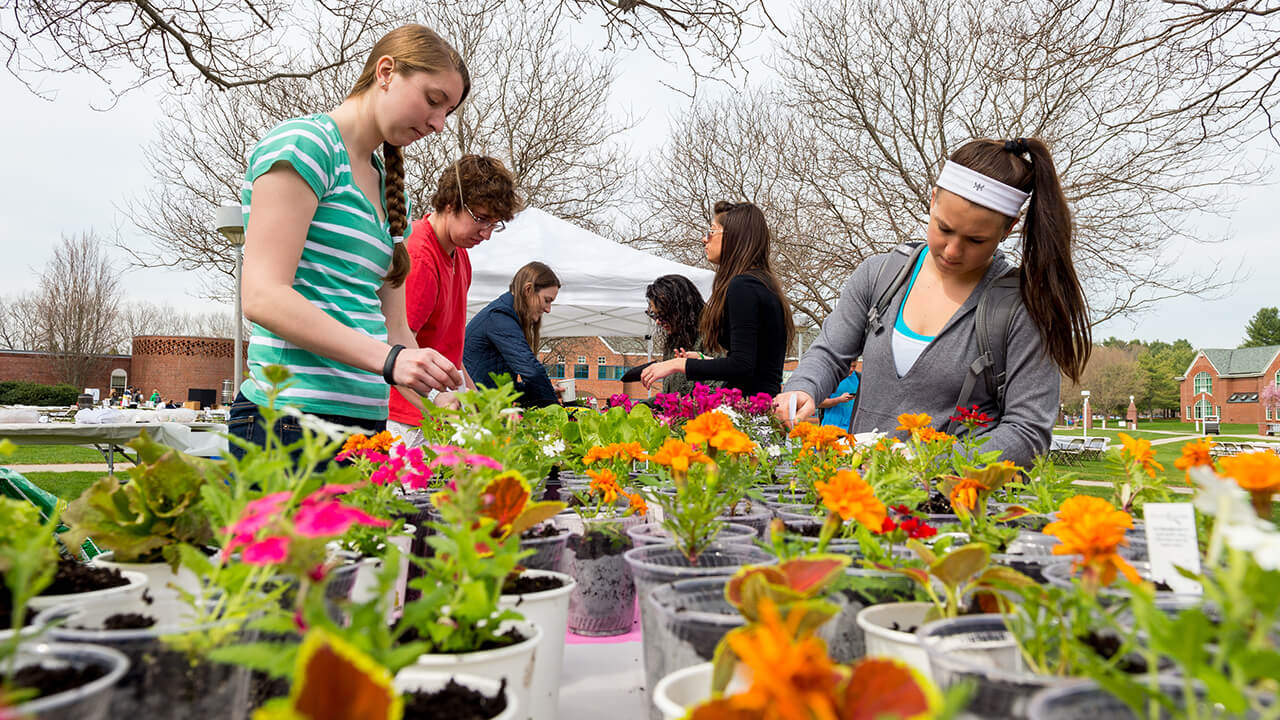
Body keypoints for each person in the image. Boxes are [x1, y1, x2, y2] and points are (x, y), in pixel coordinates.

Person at [229, 24, 469, 459]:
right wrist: (389, 360)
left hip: (366, 430)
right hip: (289, 420)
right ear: (386, 72)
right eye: (434, 101)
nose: (437, 124)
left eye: (447, 113)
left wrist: (456, 410)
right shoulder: (306, 146)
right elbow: (263, 296)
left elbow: (396, 332)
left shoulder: (390, 189)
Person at [774, 138, 1090, 466]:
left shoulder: (1022, 307)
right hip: (860, 498)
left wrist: (925, 462)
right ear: (933, 199)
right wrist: (803, 389)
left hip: (956, 508)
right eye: (944, 228)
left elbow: (1027, 432)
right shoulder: (879, 275)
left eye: (975, 240)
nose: (952, 250)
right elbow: (828, 354)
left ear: (1009, 227)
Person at [386, 155, 523, 447]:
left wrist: (476, 402)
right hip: (407, 417)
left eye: (493, 224)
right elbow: (397, 343)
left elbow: (451, 356)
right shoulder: (420, 255)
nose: (486, 234)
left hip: (436, 412)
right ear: (450, 204)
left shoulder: (460, 257)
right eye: (481, 220)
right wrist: (436, 400)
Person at [641, 201, 794, 396]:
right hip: (760, 408)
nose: (704, 240)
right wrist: (703, 360)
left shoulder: (743, 286)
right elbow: (755, 366)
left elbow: (742, 366)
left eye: (711, 232)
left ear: (733, 237)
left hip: (748, 410)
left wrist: (680, 364)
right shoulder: (762, 284)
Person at [464, 262, 562, 407]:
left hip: (484, 407)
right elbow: (532, 371)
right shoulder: (499, 318)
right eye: (546, 300)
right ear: (528, 289)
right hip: (477, 411)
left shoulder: (504, 317)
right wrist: (555, 410)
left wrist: (547, 391)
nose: (548, 309)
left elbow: (506, 389)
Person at [643, 274, 711, 395]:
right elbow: (669, 396)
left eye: (663, 315)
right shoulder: (673, 342)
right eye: (654, 316)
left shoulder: (713, 337)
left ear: (681, 310)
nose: (658, 322)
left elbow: (719, 390)